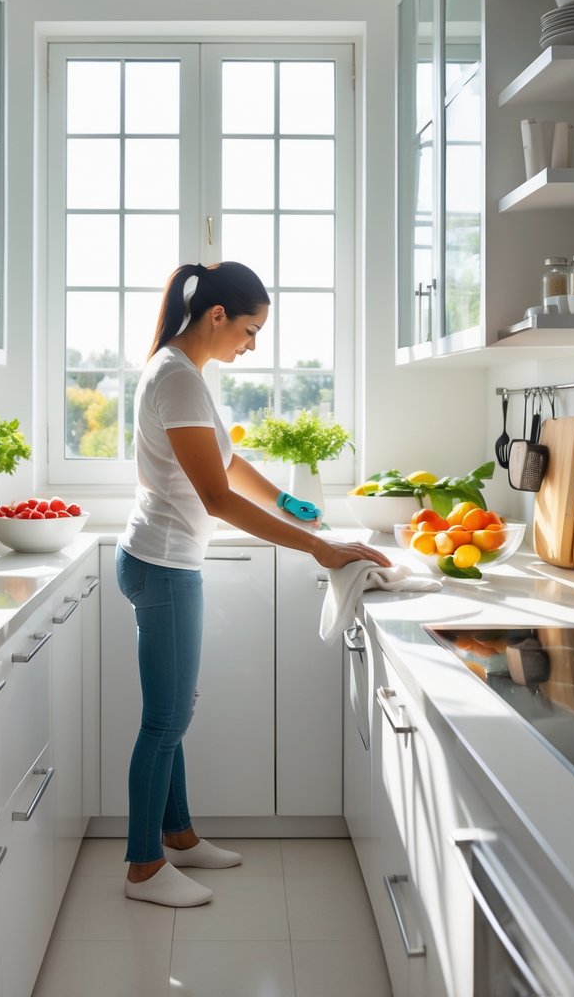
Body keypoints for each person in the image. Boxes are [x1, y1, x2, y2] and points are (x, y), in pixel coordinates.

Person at [116, 260, 390, 908]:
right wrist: (319, 546)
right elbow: (213, 497)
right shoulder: (177, 381)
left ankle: (177, 836)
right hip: (163, 564)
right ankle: (142, 869)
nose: (251, 344)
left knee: (172, 713)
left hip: (157, 559)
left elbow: (227, 461)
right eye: (249, 329)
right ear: (217, 316)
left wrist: (287, 503)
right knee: (164, 720)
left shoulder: (185, 373)